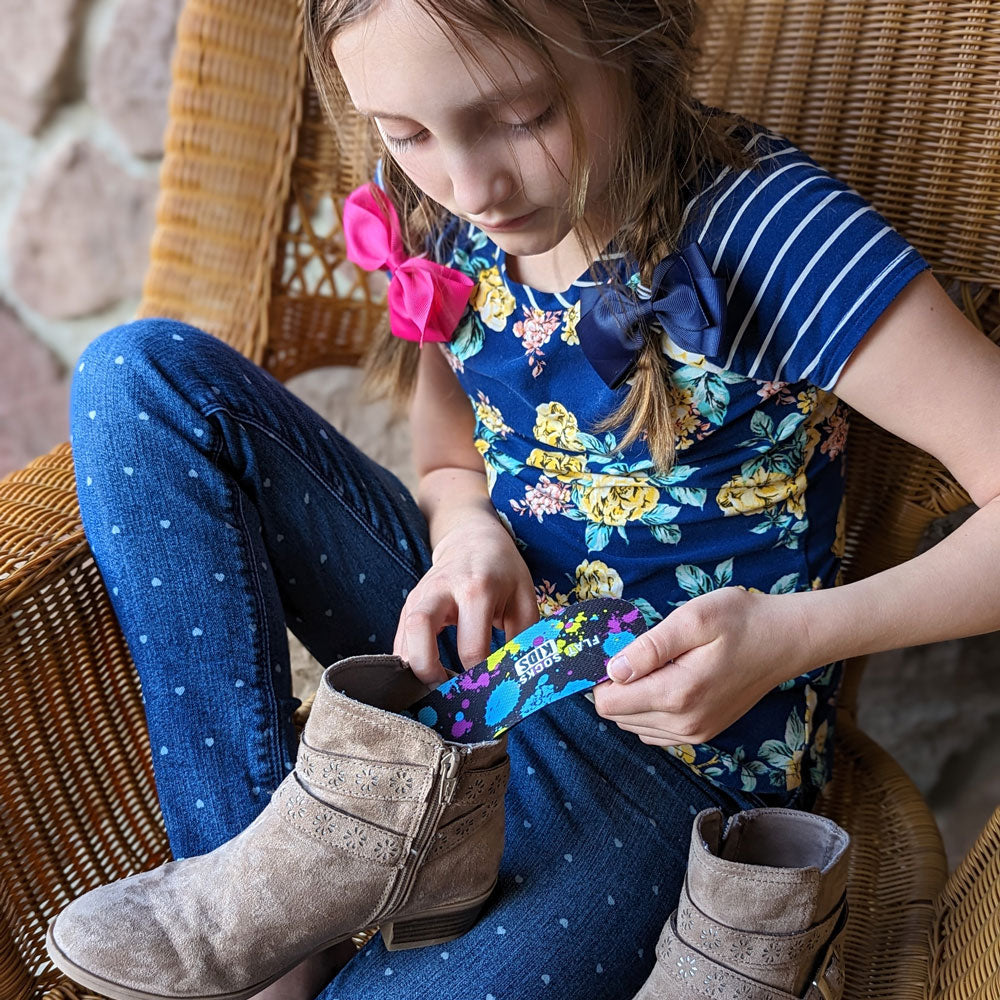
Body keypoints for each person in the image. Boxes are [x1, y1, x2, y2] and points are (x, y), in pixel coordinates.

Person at [64, 1, 1000, 998]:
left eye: (520, 115)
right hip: (477, 673)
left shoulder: (771, 233)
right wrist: (465, 532)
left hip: (660, 770)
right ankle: (269, 933)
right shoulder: (441, 202)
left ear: (635, 39)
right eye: (408, 133)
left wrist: (793, 635)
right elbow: (452, 439)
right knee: (139, 379)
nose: (471, 187)